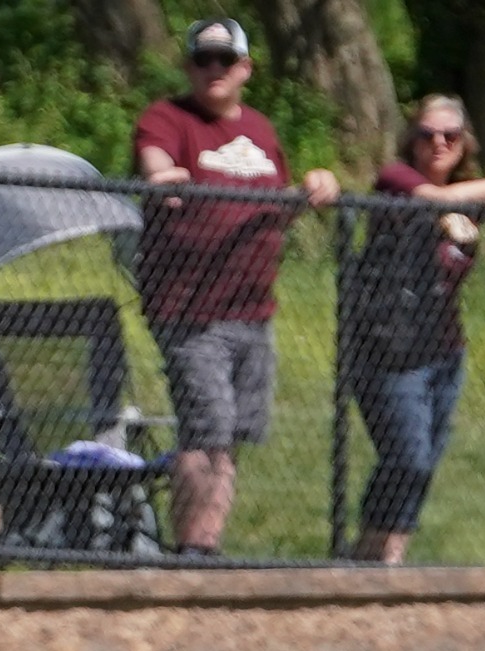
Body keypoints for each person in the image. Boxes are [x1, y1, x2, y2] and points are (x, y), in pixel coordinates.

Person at [132, 17, 341, 557]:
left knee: (229, 440)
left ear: (245, 68)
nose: (214, 70)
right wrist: (161, 180)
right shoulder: (167, 118)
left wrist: (313, 188)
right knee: (207, 431)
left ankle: (205, 545)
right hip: (189, 311)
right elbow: (156, 165)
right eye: (203, 60)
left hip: (253, 310)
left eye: (225, 61)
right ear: (189, 67)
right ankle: (191, 552)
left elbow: (276, 209)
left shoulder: (263, 132)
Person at [347, 95, 485, 564]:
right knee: (409, 456)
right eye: (427, 135)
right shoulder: (396, 180)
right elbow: (437, 200)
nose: (438, 143)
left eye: (450, 136)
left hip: (443, 350)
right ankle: (365, 555)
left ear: (464, 144)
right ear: (411, 141)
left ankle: (384, 560)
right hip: (387, 349)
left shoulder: (471, 195)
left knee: (422, 465)